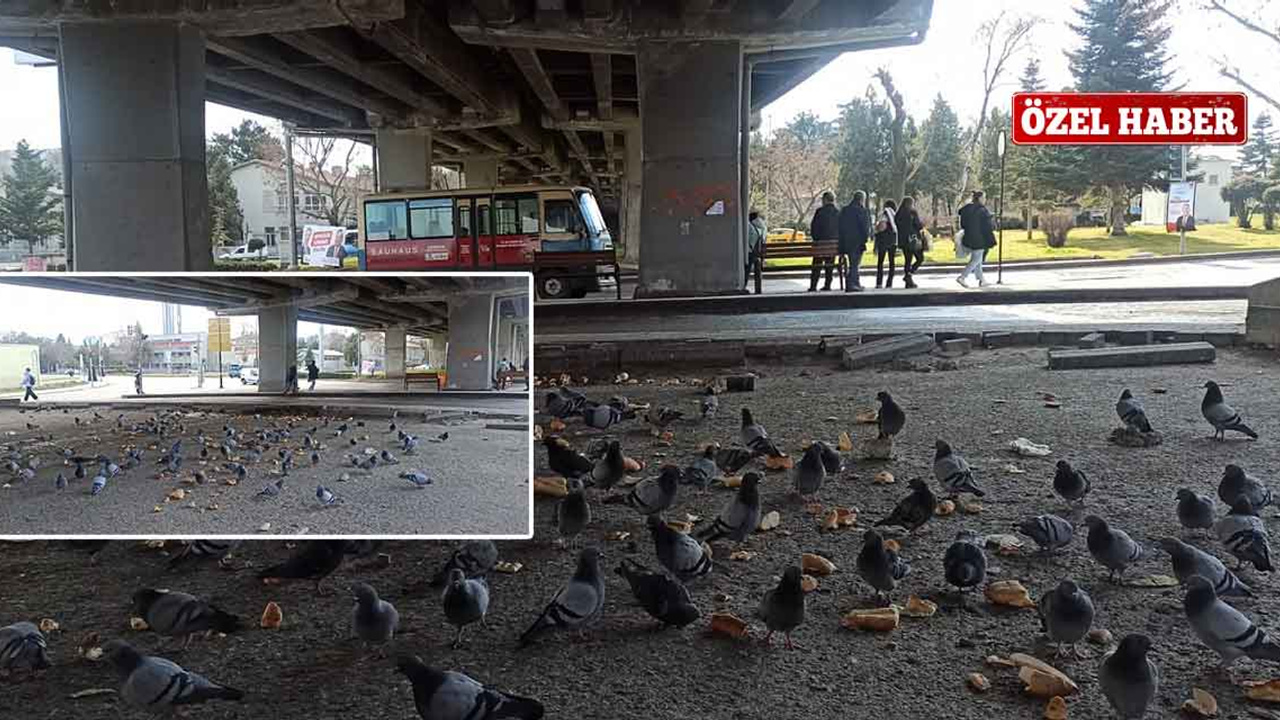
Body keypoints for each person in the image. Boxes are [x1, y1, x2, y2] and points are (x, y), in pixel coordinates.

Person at [957, 191, 998, 288]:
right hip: (979, 238)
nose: (985, 200)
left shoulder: (966, 209)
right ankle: (962, 277)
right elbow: (987, 226)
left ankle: (982, 280)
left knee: (978, 260)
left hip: (968, 237)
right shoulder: (982, 210)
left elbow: (963, 224)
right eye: (984, 198)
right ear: (979, 198)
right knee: (976, 260)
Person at [838, 191, 871, 292]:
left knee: (853, 263)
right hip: (857, 241)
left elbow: (839, 225)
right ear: (862, 199)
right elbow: (865, 227)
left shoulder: (845, 210)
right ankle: (851, 284)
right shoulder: (862, 211)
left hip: (845, 241)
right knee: (855, 264)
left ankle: (856, 283)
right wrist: (865, 238)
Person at [808, 192, 840, 292]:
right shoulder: (838, 212)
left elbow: (813, 228)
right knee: (829, 264)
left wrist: (816, 239)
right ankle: (827, 285)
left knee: (817, 264)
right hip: (833, 245)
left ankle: (813, 285)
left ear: (825, 200)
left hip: (820, 244)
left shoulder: (819, 212)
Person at [895, 196, 926, 289]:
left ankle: (908, 281)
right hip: (913, 239)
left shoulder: (898, 214)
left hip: (903, 240)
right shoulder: (912, 213)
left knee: (908, 260)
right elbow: (918, 226)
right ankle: (909, 274)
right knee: (920, 258)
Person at [874, 199, 899, 288]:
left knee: (881, 262)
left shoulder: (885, 214)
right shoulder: (895, 214)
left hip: (883, 240)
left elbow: (882, 227)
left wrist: (876, 228)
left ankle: (879, 282)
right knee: (891, 262)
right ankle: (889, 282)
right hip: (893, 240)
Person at [745, 210, 766, 288]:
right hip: (752, 251)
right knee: (749, 268)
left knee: (748, 269)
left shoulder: (750, 226)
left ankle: (744, 284)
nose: (760, 220)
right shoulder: (755, 227)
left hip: (751, 251)